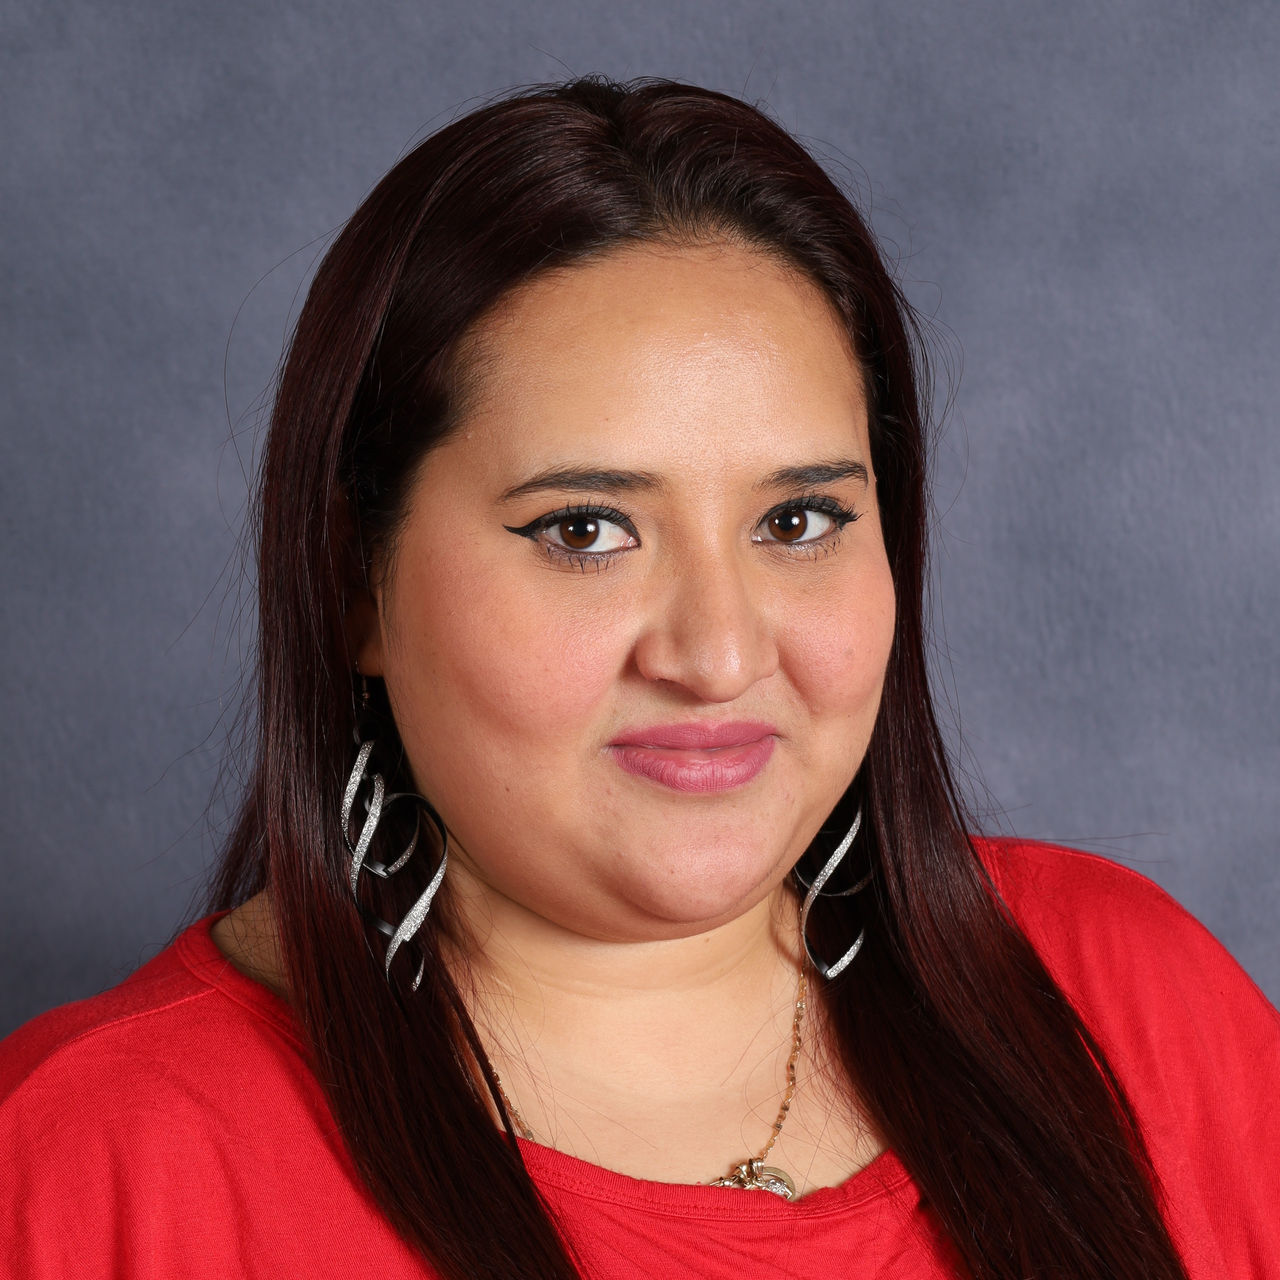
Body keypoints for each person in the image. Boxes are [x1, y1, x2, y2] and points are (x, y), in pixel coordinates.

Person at [1, 76, 1276, 1280]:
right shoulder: (95, 1169)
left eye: (796, 521)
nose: (717, 654)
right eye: (584, 529)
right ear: (352, 582)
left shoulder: (1124, 999)